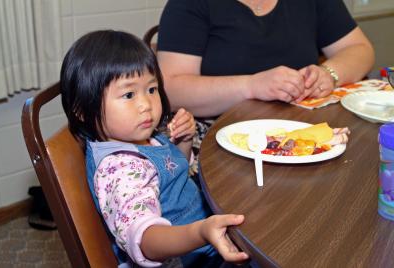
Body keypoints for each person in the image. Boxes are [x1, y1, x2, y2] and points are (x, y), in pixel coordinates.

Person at [60, 30, 249, 267]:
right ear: (83, 110)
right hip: (186, 258)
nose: (145, 104)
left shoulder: (140, 138)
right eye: (129, 94)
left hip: (203, 236)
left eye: (151, 89)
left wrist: (184, 140)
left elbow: (169, 177)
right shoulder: (120, 169)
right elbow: (145, 240)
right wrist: (200, 232)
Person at [156, 0, 375, 159]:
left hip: (301, 131)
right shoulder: (190, 5)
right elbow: (172, 88)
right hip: (217, 141)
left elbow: (360, 49)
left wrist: (329, 74)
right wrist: (251, 86)